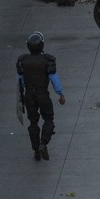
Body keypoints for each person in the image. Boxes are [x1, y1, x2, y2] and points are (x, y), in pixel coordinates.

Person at [16, 31, 65, 161]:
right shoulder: (47, 60)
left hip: (29, 95)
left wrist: (21, 97)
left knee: (33, 122)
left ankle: (36, 150)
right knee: (49, 119)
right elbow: (54, 79)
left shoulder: (23, 61)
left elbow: (19, 81)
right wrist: (60, 94)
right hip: (42, 94)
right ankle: (43, 143)